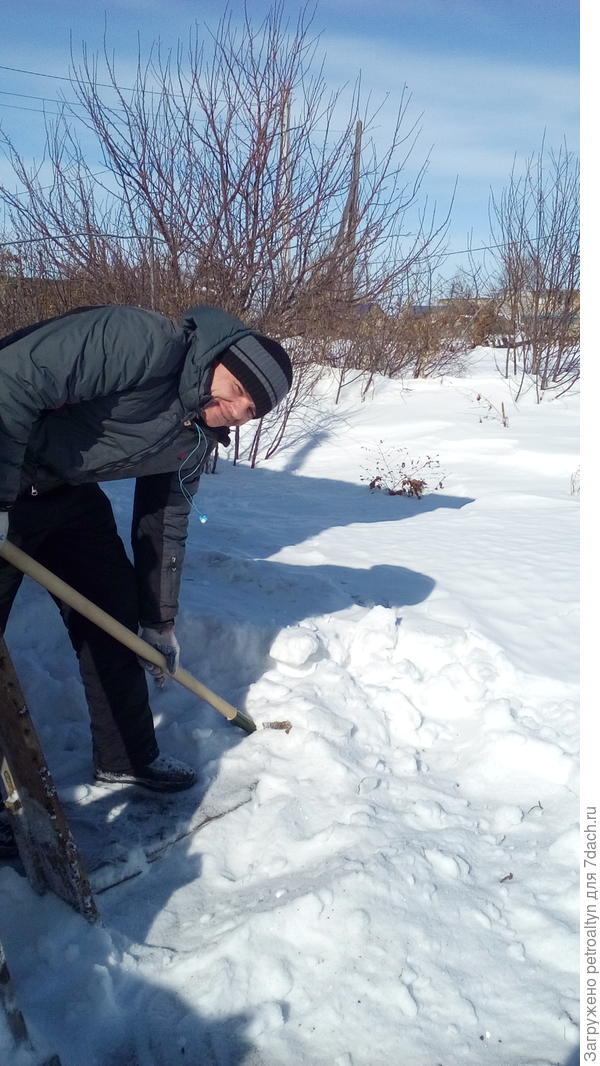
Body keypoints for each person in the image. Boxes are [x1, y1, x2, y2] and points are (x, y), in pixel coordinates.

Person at [0, 303, 293, 802]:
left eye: (249, 410)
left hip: (62, 490)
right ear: (219, 358)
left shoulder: (197, 436)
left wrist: (159, 621)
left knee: (112, 610)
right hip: (8, 468)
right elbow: (12, 381)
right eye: (237, 389)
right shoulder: (141, 341)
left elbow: (165, 521)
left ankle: (126, 757)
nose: (234, 409)